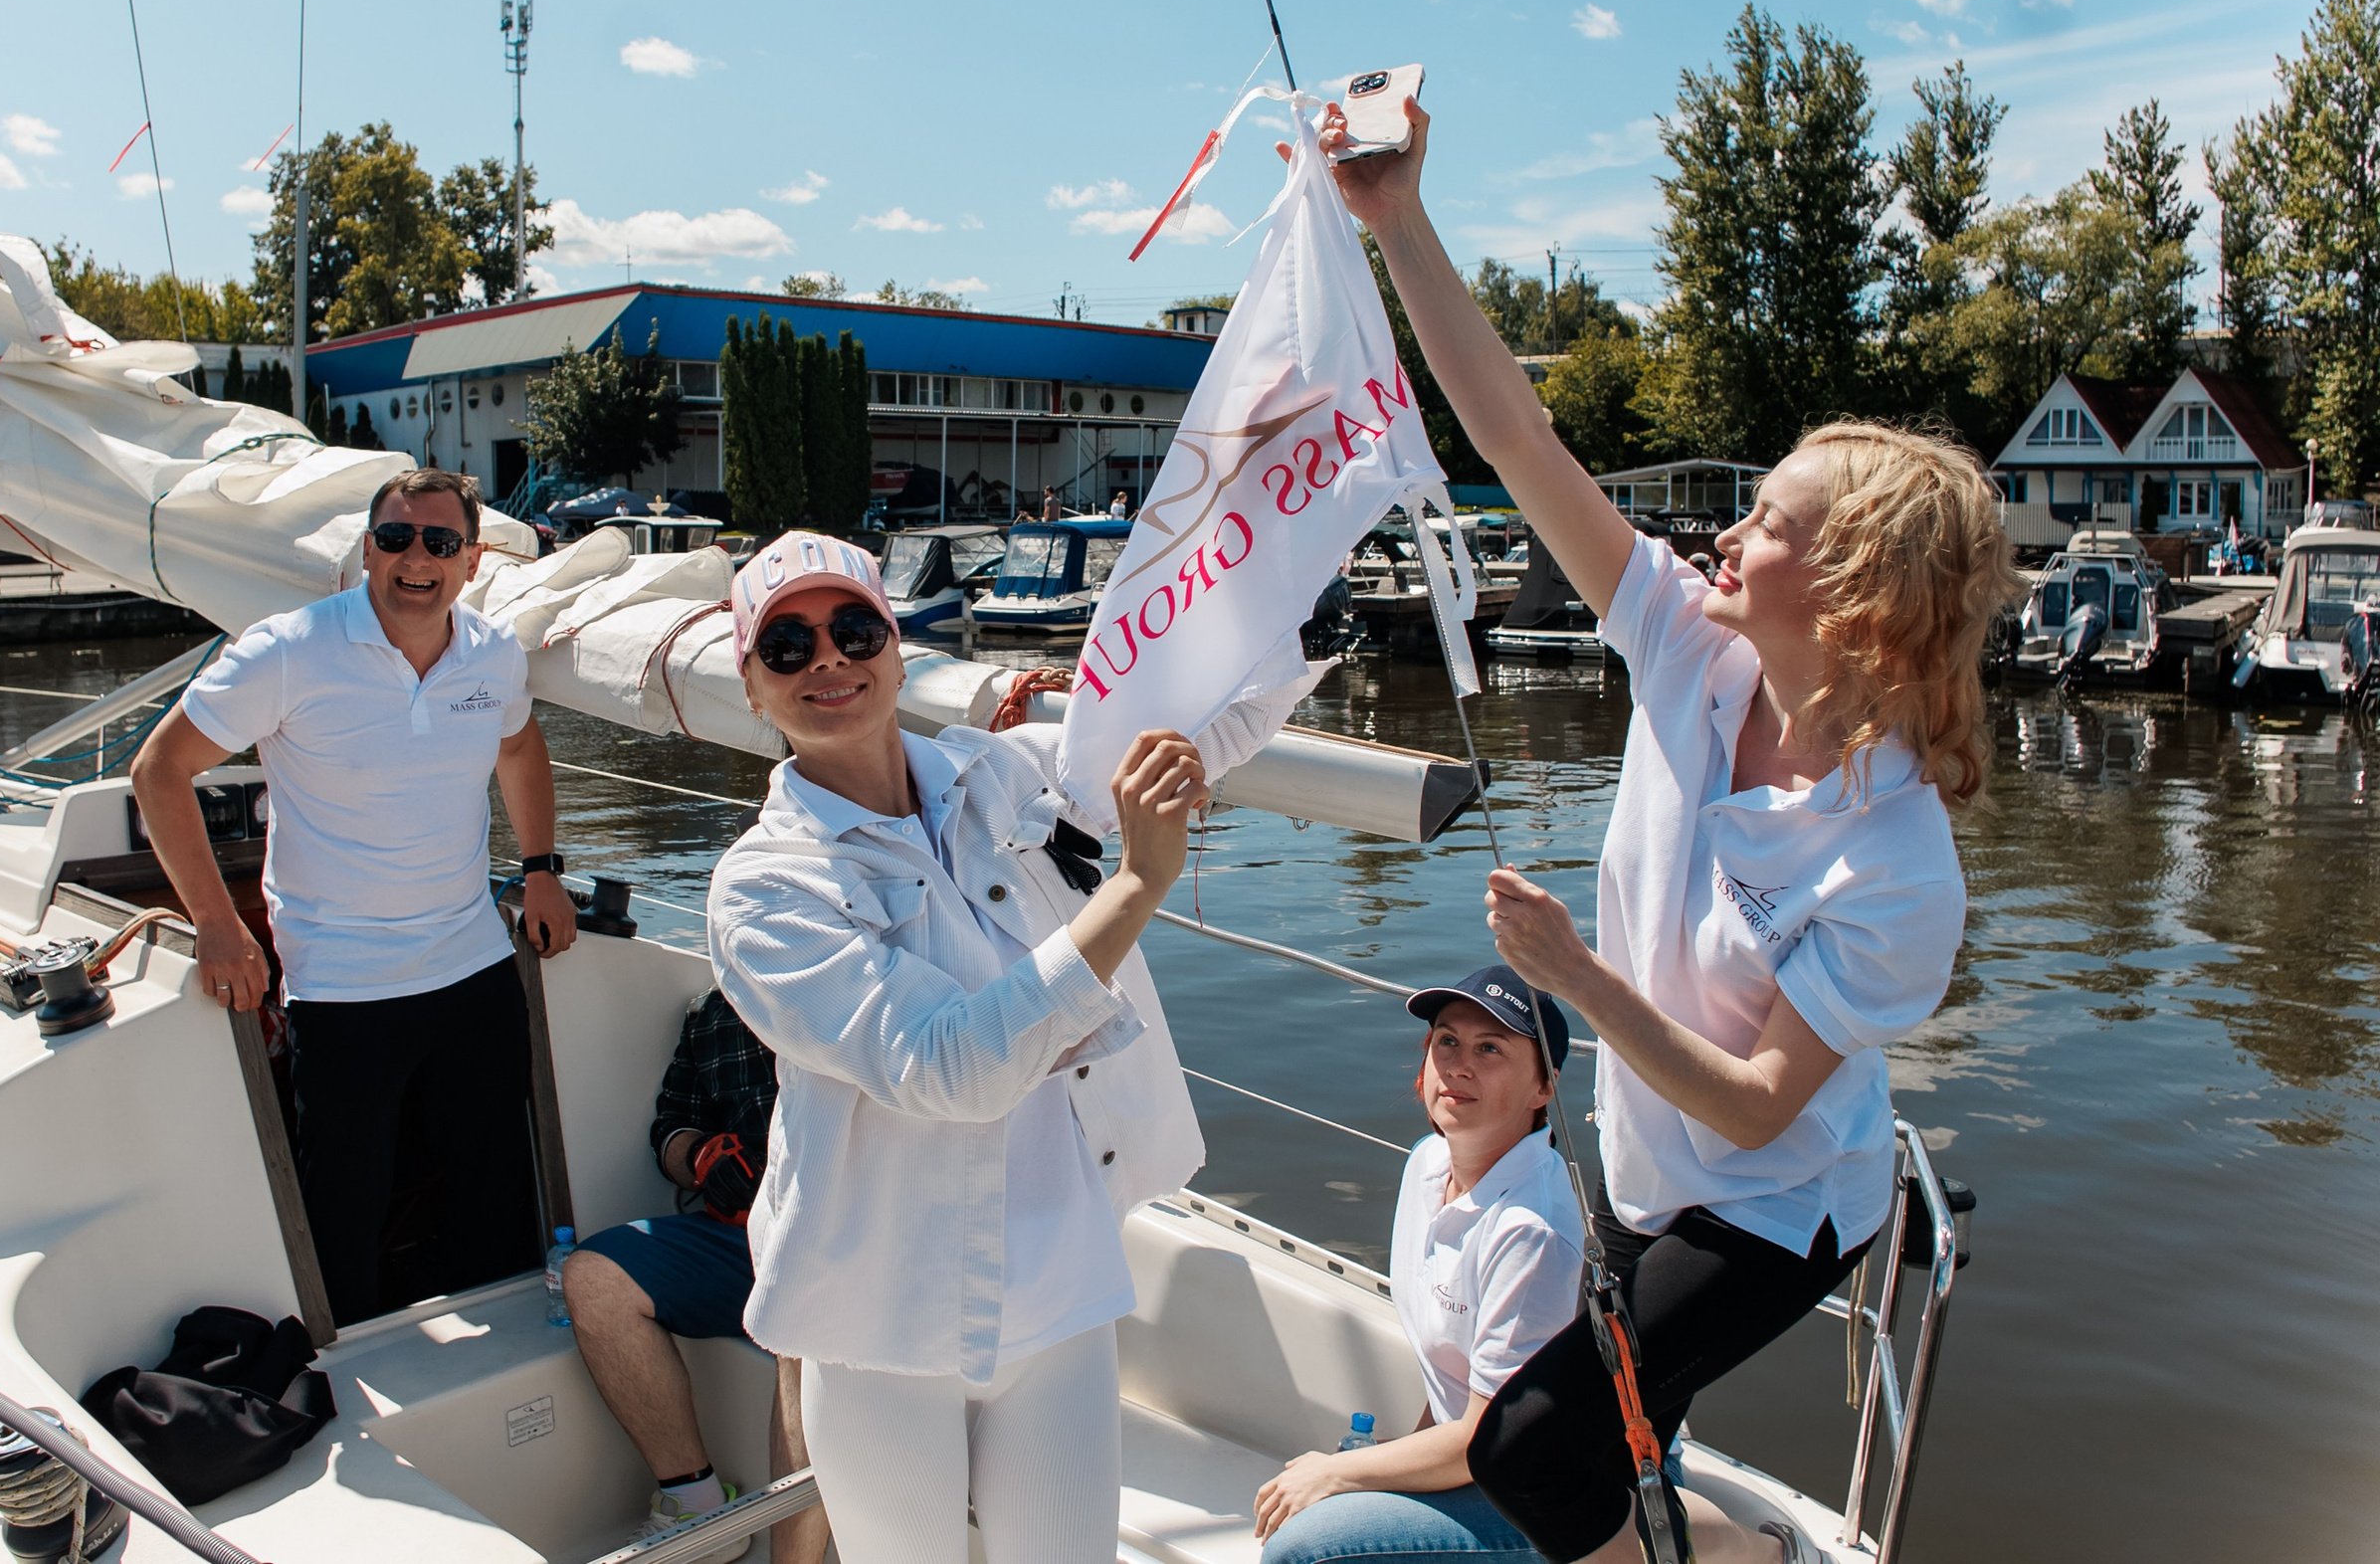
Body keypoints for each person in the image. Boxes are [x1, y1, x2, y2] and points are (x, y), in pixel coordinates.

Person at [1308, 102, 2013, 1564]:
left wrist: (1571, 975)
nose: (1724, 539)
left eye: (1762, 521)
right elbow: (1515, 429)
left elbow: (1762, 1105)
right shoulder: (1692, 649)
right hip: (1641, 1162)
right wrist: (1396, 219)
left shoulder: (1893, 860)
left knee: (1533, 1444)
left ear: (1853, 601)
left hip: (1765, 1209)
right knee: (1605, 1432)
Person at [705, 530, 1314, 1564]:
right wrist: (1133, 886)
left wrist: (1289, 584)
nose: (828, 662)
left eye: (853, 629)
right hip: (879, 1321)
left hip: (1054, 1284)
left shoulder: (1010, 773)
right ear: (753, 686)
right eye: (788, 645)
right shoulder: (762, 891)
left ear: (896, 647)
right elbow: (948, 1070)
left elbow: (1218, 718)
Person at [133, 468, 580, 1326]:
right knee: (346, 1208)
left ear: (473, 560)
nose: (417, 559)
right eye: (396, 538)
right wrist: (219, 925)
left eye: (440, 542)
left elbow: (520, 751)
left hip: (470, 965)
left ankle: (509, 1357)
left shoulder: (491, 654)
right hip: (341, 981)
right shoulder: (290, 650)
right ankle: (342, 1377)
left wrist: (539, 868)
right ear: (367, 549)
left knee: (493, 1181)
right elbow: (161, 770)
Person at [1255, 967, 1581, 1564]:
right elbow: (1455, 1375)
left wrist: (1341, 1473)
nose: (1458, 1065)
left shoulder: (1532, 1230)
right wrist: (1382, 1465)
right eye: (1447, 1041)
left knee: (1304, 1549)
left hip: (1556, 1495)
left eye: (1491, 1049)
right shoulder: (1428, 1164)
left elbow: (1488, 1435)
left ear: (1544, 1088)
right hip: (1479, 1462)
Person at [561, 987, 830, 1563]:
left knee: (803, 1329)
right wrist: (704, 1158)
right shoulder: (711, 1011)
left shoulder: (862, 987)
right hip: (737, 1240)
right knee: (593, 1279)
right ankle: (694, 1504)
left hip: (836, 1239)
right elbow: (671, 1130)